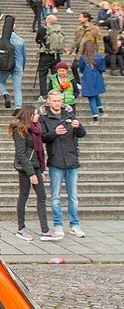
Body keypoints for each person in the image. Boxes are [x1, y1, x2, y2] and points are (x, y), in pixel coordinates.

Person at [39, 90, 87, 238]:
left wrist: (79, 126)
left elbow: (82, 134)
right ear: (49, 101)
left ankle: (74, 224)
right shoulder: (44, 118)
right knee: (55, 196)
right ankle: (58, 224)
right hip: (56, 161)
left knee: (73, 196)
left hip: (72, 159)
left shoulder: (69, 114)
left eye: (59, 101)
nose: (57, 103)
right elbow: (42, 138)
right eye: (54, 101)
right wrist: (55, 133)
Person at [9, 106, 60, 241]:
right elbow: (21, 154)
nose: (38, 116)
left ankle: (45, 230)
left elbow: (39, 151)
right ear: (29, 116)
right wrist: (31, 173)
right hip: (25, 168)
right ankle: (21, 228)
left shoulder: (36, 129)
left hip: (36, 165)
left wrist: (40, 170)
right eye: (35, 114)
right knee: (24, 196)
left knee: (42, 196)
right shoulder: (20, 129)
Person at [0, 23, 27, 111]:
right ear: (15, 29)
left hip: (6, 64)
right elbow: (24, 56)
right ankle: (18, 107)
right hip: (18, 65)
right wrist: (22, 67)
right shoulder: (21, 40)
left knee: (1, 81)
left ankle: (5, 94)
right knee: (17, 88)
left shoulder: (0, 39)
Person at [74, 40, 107, 121]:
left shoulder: (83, 58)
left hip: (87, 78)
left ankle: (95, 116)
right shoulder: (99, 56)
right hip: (97, 76)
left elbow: (81, 69)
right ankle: (100, 109)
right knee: (96, 93)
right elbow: (103, 68)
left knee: (91, 97)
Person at [35, 12, 65, 100]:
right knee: (55, 75)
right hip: (56, 55)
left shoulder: (43, 29)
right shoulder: (59, 29)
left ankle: (43, 94)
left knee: (42, 75)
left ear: (47, 21)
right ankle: (56, 93)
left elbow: (37, 40)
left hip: (45, 55)